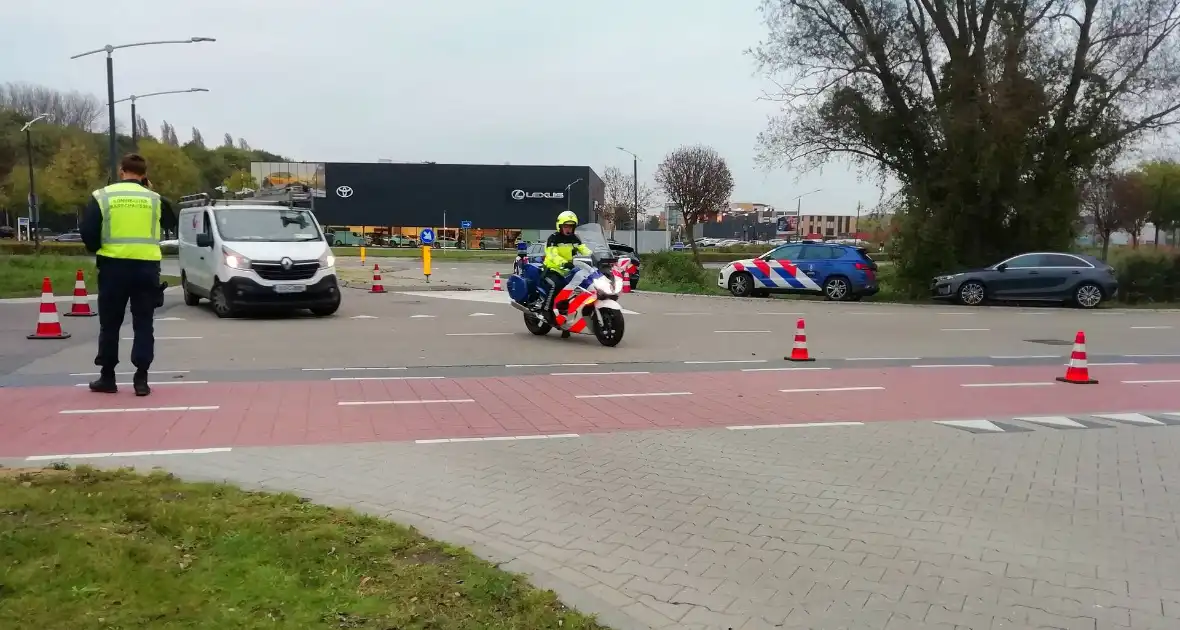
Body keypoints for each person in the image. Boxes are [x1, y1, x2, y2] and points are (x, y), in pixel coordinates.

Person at [79, 153, 177, 396]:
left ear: (121, 171)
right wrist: (152, 191)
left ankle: (108, 378)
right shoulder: (155, 199)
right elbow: (170, 223)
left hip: (113, 267)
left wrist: (98, 249)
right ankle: (141, 380)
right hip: (146, 269)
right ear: (144, 175)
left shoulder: (102, 196)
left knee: (110, 324)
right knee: (143, 324)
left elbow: (88, 233)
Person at [540, 210, 591, 329]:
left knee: (584, 286)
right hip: (552, 269)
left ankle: (570, 312)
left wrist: (597, 258)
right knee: (555, 285)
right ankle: (547, 311)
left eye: (571, 226)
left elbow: (585, 250)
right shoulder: (553, 238)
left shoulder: (575, 239)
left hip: (569, 270)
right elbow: (552, 254)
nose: (568, 229)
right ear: (560, 226)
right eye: (566, 226)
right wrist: (563, 263)